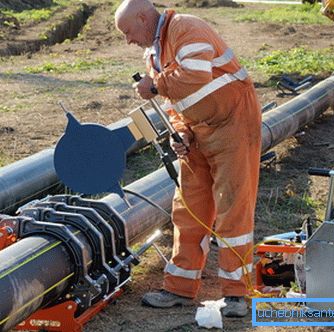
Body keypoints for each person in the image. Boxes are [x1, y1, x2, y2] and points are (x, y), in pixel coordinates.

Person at [115, 0, 262, 317]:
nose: (127, 39)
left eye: (128, 31)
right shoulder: (153, 53)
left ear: (143, 18)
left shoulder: (185, 27)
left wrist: (154, 84)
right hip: (199, 130)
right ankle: (179, 288)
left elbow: (195, 75)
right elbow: (175, 102)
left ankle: (236, 294)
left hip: (233, 122)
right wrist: (180, 133)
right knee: (188, 208)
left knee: (232, 207)